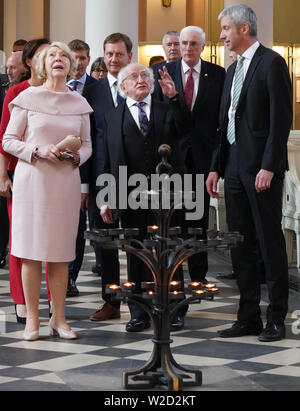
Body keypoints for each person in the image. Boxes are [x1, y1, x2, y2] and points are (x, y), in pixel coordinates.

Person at [206, 4, 292, 342]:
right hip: (234, 169)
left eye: (226, 28)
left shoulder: (272, 63)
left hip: (261, 170)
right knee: (240, 244)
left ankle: (276, 318)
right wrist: (216, 167)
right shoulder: (232, 71)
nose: (222, 35)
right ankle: (248, 317)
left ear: (243, 28)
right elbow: (223, 124)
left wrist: (269, 165)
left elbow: (280, 121)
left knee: (270, 244)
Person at [2, 41, 92, 341]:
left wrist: (77, 156)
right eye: (52, 56)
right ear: (41, 64)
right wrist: (37, 150)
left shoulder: (79, 102)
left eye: (63, 57)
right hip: (32, 181)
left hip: (64, 182)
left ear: (71, 65)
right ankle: (32, 321)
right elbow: (9, 140)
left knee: (59, 253)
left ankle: (60, 320)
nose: (58, 60)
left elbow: (88, 143)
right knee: (30, 253)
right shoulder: (27, 97)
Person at [100, 63, 188, 332]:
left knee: (168, 251)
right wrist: (107, 197)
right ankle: (138, 311)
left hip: (166, 196)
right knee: (135, 252)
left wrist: (175, 98)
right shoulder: (112, 117)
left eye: (144, 76)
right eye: (133, 77)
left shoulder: (166, 108)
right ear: (123, 86)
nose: (140, 80)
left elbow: (186, 130)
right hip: (129, 196)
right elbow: (107, 159)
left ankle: (174, 308)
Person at [153, 25, 225, 330]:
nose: (187, 48)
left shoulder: (218, 74)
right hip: (171, 164)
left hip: (204, 162)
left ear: (203, 46)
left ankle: (198, 282)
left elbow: (221, 123)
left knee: (197, 229)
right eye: (183, 43)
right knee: (173, 231)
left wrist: (216, 164)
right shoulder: (161, 72)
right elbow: (156, 116)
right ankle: (176, 297)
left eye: (194, 44)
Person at [0, 38, 51, 324]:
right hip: (20, 173)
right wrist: (2, 176)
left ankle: (55, 301)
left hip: (55, 176)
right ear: (30, 61)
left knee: (53, 241)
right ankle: (21, 301)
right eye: (44, 56)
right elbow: (3, 139)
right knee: (20, 239)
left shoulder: (63, 92)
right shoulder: (16, 92)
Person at [83, 33, 133, 322]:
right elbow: (87, 139)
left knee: (139, 239)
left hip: (135, 177)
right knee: (105, 243)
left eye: (119, 54)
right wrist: (84, 185)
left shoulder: (142, 85)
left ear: (129, 55)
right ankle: (111, 302)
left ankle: (141, 302)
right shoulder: (92, 92)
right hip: (102, 177)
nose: (114, 59)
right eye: (109, 54)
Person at [66, 39, 98, 297]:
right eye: (73, 57)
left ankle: (71, 277)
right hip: (59, 169)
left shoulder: (97, 89)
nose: (78, 63)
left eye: (82, 58)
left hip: (90, 168)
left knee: (88, 227)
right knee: (68, 228)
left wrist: (85, 184)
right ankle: (65, 276)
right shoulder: (54, 89)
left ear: (88, 59)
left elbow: (94, 140)